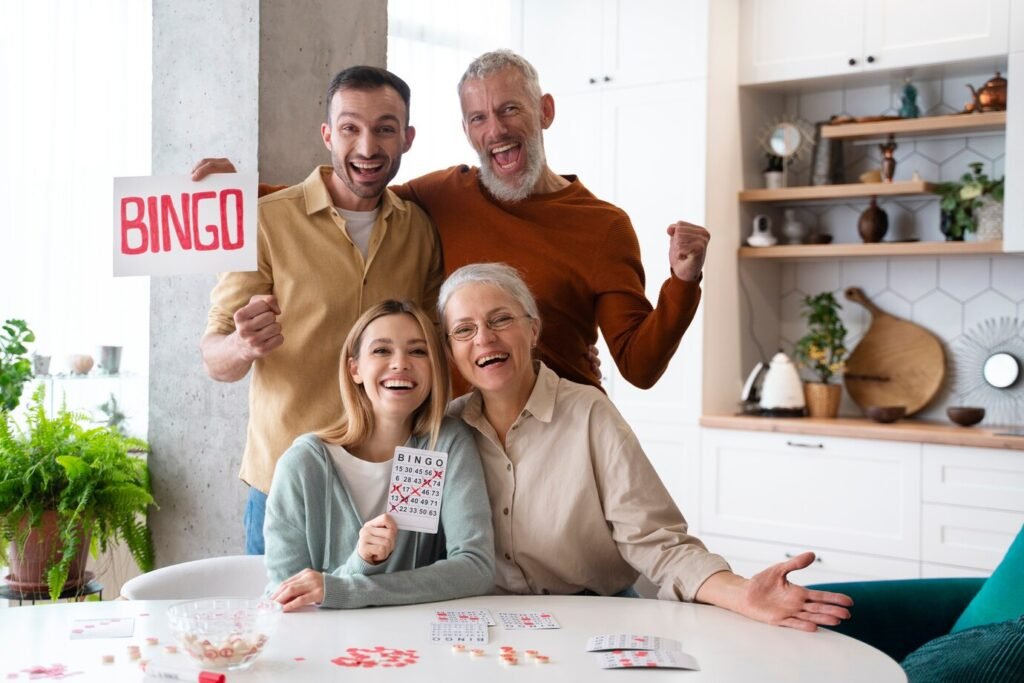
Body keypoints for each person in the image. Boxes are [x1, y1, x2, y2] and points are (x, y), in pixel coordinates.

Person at [195, 48, 709, 394]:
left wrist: (682, 282)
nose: (497, 130)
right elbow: (356, 188)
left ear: (545, 110)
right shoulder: (445, 193)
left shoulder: (603, 225)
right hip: (457, 437)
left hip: (559, 435)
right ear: (465, 129)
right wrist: (245, 193)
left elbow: (639, 368)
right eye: (479, 118)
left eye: (510, 109)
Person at [438, 263, 853, 632]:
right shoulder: (447, 429)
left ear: (533, 329)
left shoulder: (589, 414)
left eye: (500, 319)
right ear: (451, 350)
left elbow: (657, 541)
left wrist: (742, 593)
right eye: (464, 330)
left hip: (594, 616)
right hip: (485, 624)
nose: (484, 339)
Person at [199, 66, 443, 554]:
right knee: (283, 626)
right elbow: (214, 358)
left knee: (400, 623)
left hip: (396, 484)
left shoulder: (420, 229)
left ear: (408, 138)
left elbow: (431, 353)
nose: (368, 146)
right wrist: (242, 344)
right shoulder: (266, 222)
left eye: (385, 128)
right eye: (351, 127)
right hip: (286, 484)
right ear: (328, 134)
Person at [265, 300, 494, 611]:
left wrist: (344, 588)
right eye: (382, 351)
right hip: (325, 650)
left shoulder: (447, 443)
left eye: (418, 351)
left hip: (421, 644)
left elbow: (475, 569)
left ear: (435, 368)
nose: (400, 363)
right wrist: (359, 564)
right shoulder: (302, 465)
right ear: (354, 369)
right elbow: (289, 601)